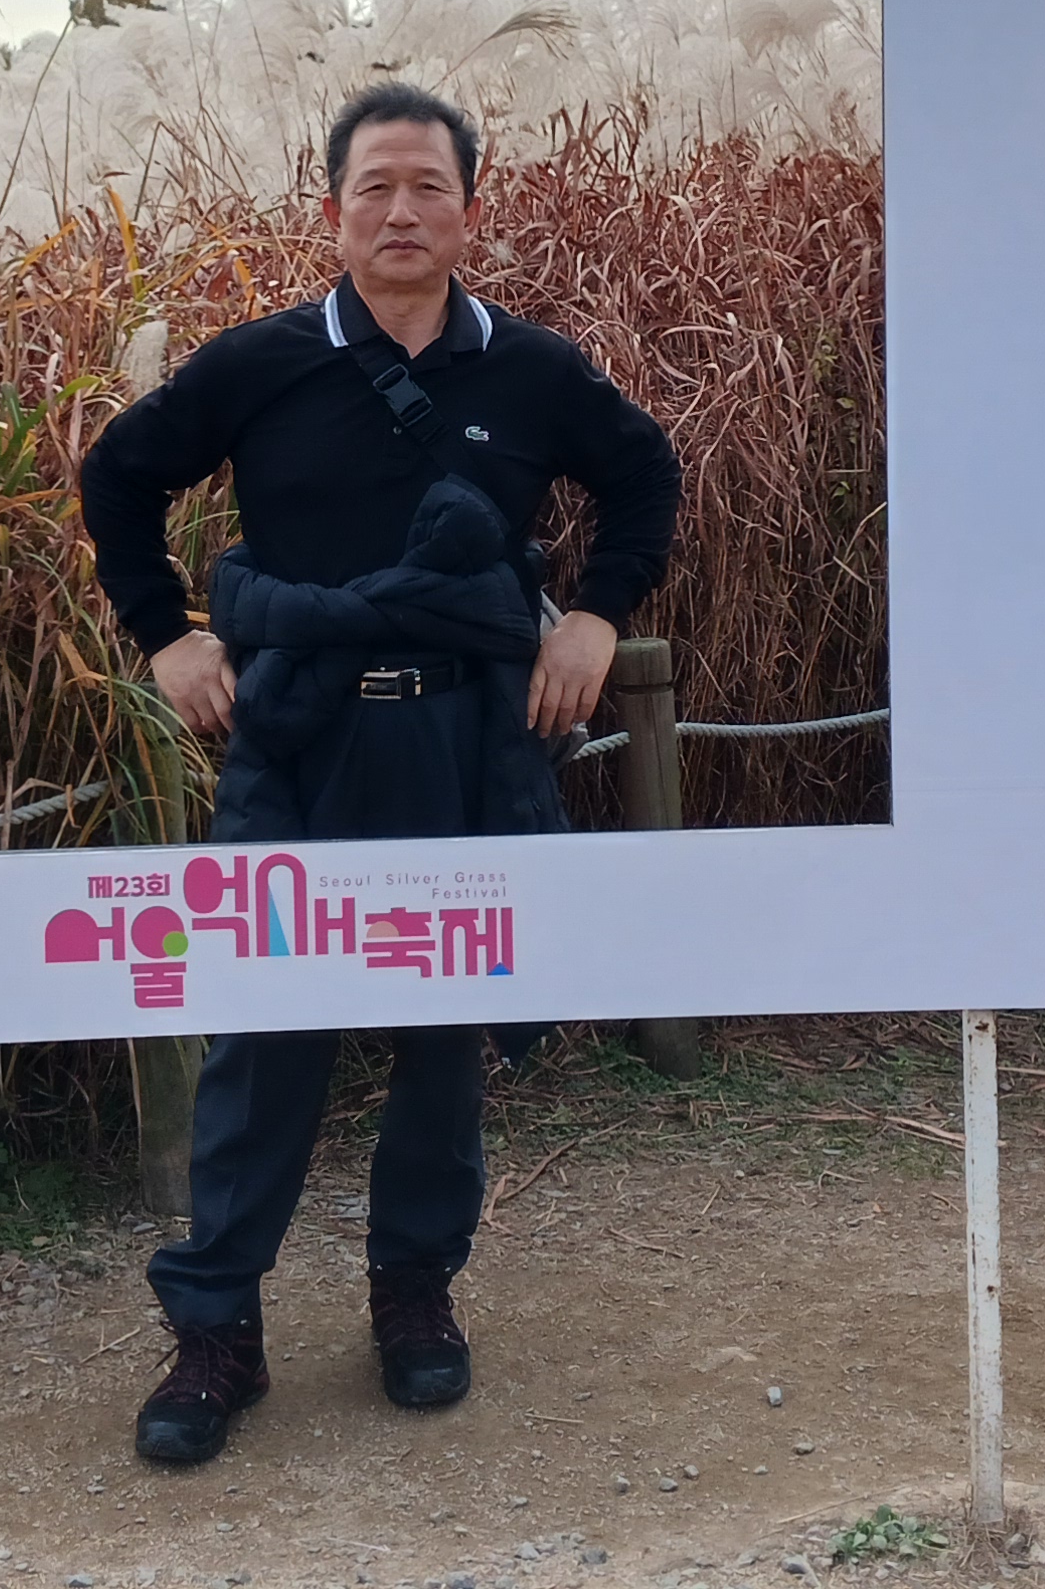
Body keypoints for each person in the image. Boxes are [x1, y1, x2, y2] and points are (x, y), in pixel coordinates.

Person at [78, 81, 681, 1468]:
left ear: (469, 208)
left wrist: (597, 616)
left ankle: (415, 1293)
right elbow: (119, 477)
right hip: (298, 742)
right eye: (375, 187)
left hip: (463, 746)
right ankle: (217, 1328)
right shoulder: (261, 362)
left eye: (428, 187)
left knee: (442, 1035)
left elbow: (644, 477)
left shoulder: (532, 369)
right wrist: (167, 634)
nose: (401, 211)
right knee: (261, 1026)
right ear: (334, 210)